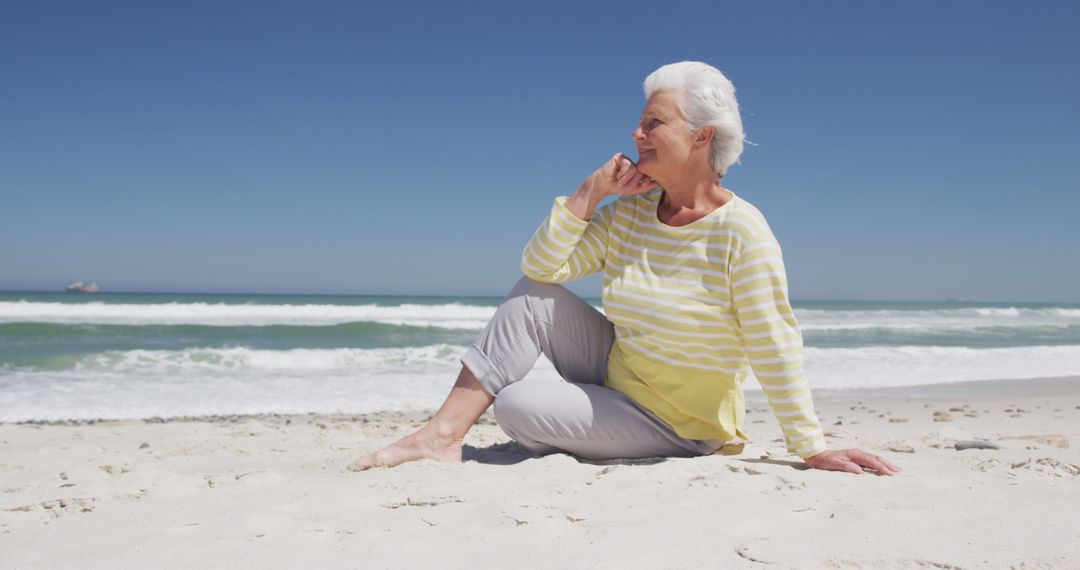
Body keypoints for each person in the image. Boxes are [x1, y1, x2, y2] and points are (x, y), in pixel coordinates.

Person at [351, 61, 902, 476]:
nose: (637, 135)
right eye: (639, 123)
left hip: (681, 424)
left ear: (701, 135)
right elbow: (542, 267)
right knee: (530, 296)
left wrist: (811, 447)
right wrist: (590, 193)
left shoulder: (743, 231)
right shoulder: (631, 213)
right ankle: (440, 435)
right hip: (617, 375)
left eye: (653, 123)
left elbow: (773, 341)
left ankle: (637, 438)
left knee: (517, 406)